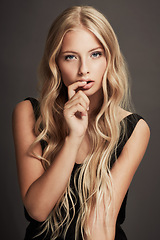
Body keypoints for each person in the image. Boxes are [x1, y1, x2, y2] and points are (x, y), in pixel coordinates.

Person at [12, 5, 150, 240]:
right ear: (56, 63)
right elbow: (37, 209)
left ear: (109, 59)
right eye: (71, 57)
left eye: (95, 54)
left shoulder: (134, 129)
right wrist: (73, 138)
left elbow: (99, 225)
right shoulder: (29, 113)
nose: (83, 70)